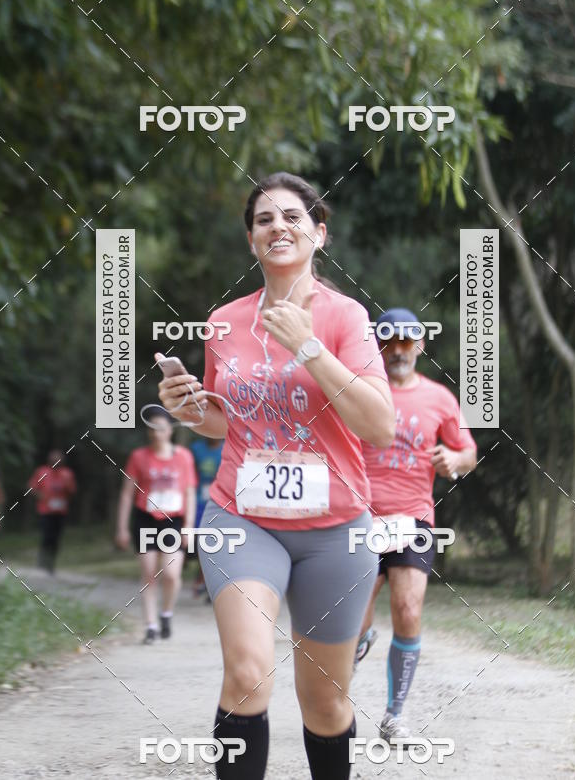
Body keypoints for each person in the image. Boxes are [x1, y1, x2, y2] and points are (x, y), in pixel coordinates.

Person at [157, 172, 395, 780]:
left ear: (320, 234)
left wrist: (311, 348)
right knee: (246, 670)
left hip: (336, 530)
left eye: (293, 216)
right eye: (264, 219)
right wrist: (188, 406)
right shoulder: (224, 319)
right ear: (250, 240)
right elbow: (223, 419)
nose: (277, 226)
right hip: (242, 518)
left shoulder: (345, 317)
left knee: (324, 701)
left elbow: (379, 427)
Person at [355, 307, 477, 742]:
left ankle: (394, 715)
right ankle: (360, 635)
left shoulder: (439, 398)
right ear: (377, 345)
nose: (398, 349)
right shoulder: (359, 391)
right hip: (359, 517)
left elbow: (468, 451)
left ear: (421, 345)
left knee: (408, 610)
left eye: (407, 341)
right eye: (388, 341)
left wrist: (454, 461)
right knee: (353, 616)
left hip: (413, 517)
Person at [115, 410, 197, 644]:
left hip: (173, 520)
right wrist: (122, 527)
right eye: (152, 427)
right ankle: (150, 626)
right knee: (149, 574)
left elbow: (189, 492)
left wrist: (189, 526)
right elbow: (126, 494)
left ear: (170, 430)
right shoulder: (138, 456)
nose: (156, 432)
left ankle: (166, 613)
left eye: (161, 427)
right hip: (146, 518)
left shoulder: (183, 457)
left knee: (171, 574)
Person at [29, 449, 77, 573]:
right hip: (45, 510)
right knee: (46, 536)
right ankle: (42, 560)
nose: (56, 462)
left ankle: (51, 563)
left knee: (56, 537)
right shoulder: (42, 471)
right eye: (53, 460)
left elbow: (72, 491)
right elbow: (32, 487)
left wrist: (67, 486)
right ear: (49, 460)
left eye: (58, 460)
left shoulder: (67, 473)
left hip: (60, 511)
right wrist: (42, 497)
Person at [190, 435, 224, 597]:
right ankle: (202, 575)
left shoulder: (227, 446)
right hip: (199, 500)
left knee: (218, 541)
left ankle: (209, 580)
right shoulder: (196, 449)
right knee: (200, 540)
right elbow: (191, 474)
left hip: (221, 500)